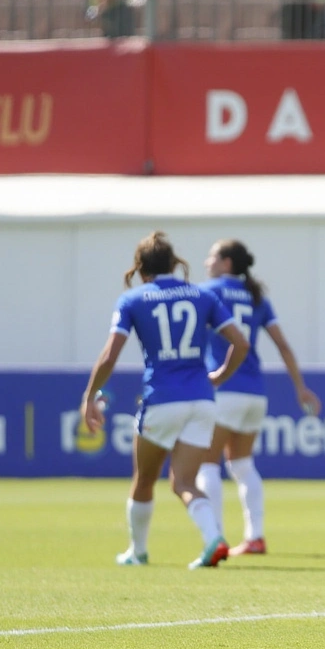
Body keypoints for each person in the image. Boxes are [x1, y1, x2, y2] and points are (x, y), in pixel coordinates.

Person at [81, 231, 249, 569]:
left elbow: (110, 355)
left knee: (144, 479)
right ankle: (213, 538)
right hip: (202, 400)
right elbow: (240, 344)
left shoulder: (133, 300)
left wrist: (88, 397)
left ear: (141, 269)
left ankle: (138, 552)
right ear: (174, 264)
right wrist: (218, 378)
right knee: (184, 481)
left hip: (162, 398)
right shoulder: (202, 295)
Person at [196, 239, 321, 558]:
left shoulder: (208, 291)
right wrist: (300, 387)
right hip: (255, 393)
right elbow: (283, 346)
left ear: (226, 263)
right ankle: (255, 537)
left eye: (212, 256)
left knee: (207, 464)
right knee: (241, 464)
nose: (206, 261)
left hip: (223, 388)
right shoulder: (256, 297)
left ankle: (217, 538)